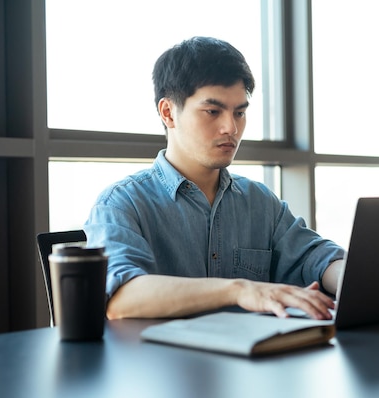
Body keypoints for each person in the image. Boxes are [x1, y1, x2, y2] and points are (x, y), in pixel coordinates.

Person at [84, 36, 346, 321]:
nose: (231, 128)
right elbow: (122, 298)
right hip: (161, 362)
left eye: (240, 112)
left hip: (251, 361)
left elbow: (316, 258)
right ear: (168, 112)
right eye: (213, 111)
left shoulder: (259, 202)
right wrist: (238, 290)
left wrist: (353, 278)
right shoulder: (121, 204)